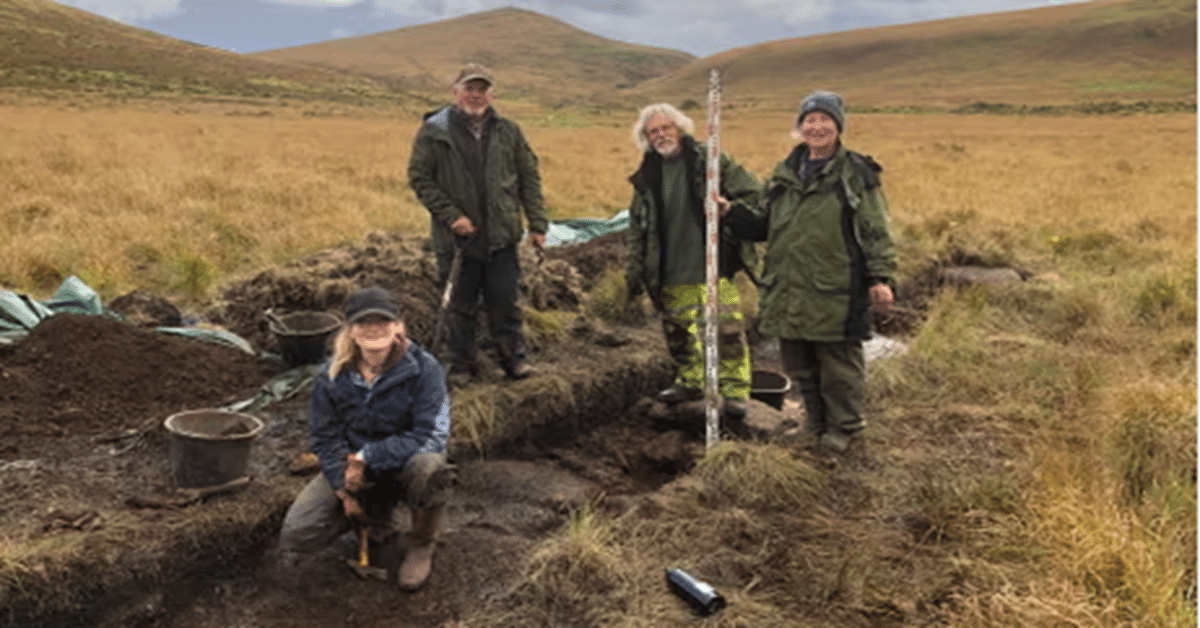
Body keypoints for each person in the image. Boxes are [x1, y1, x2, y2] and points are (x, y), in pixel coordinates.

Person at [723, 90, 896, 453]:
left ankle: (845, 429)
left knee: (838, 364)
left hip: (835, 285)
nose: (816, 127)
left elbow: (874, 228)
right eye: (809, 120)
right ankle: (815, 425)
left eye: (824, 120)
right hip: (789, 285)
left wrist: (880, 278)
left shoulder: (855, 173)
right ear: (800, 127)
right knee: (799, 362)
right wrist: (730, 213)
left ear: (838, 126)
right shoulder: (784, 173)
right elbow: (764, 225)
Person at [277, 286, 455, 592]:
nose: (374, 330)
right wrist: (343, 490)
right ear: (350, 330)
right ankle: (373, 521)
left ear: (399, 325)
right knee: (299, 533)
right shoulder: (330, 376)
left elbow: (430, 435)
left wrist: (366, 457)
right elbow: (325, 437)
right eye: (363, 323)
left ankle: (422, 544)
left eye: (383, 321)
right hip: (356, 470)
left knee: (430, 467)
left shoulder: (426, 370)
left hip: (404, 462)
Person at [408, 62, 548, 385]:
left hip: (501, 236)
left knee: (505, 302)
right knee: (461, 306)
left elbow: (529, 177)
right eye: (468, 88)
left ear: (492, 93)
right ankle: (461, 365)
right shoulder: (435, 130)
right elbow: (420, 178)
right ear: (455, 92)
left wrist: (537, 224)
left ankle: (514, 361)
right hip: (457, 239)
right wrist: (451, 215)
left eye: (481, 89)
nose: (475, 95)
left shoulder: (509, 131)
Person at [624, 103, 760, 421]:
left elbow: (755, 194)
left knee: (727, 331)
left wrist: (729, 207)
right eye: (653, 131)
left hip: (715, 263)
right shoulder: (647, 174)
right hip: (669, 267)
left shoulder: (711, 161)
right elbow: (637, 226)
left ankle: (735, 391)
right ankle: (691, 382)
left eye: (666, 128)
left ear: (680, 128)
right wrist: (635, 268)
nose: (660, 135)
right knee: (679, 333)